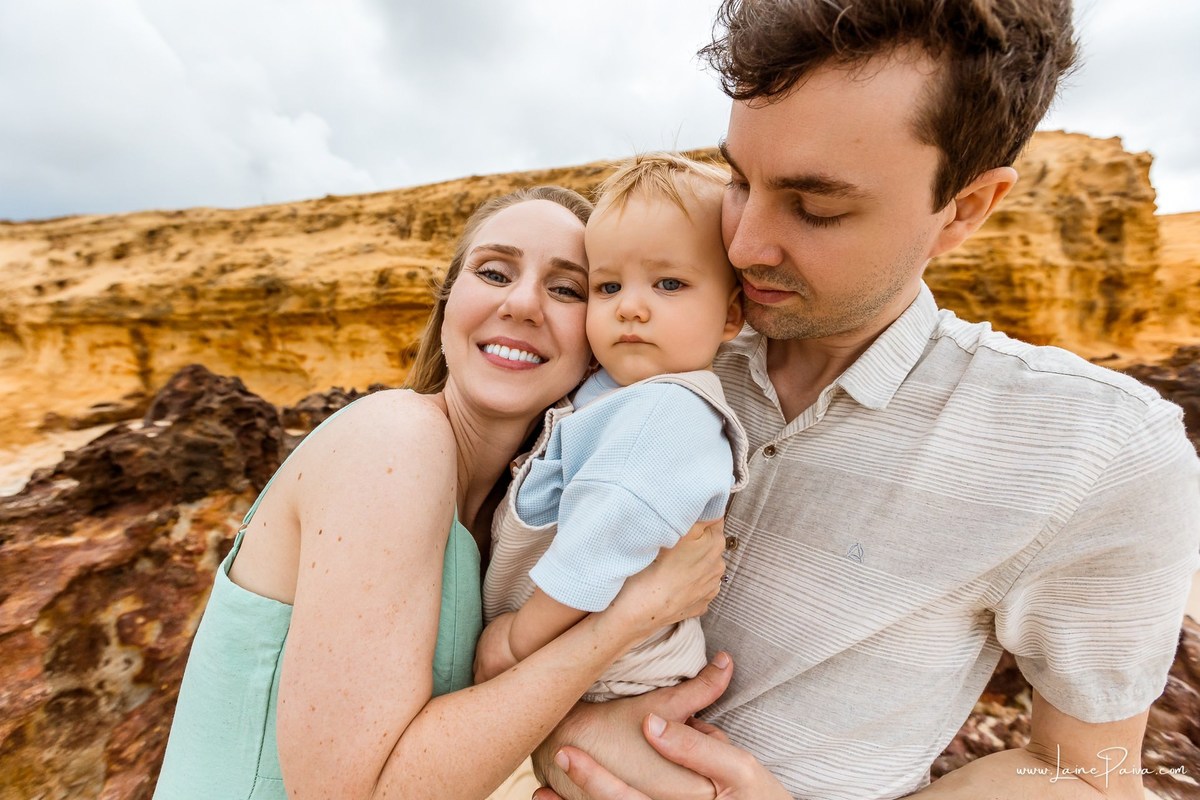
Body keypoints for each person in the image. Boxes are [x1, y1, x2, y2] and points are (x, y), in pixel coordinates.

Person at [528, 2, 1200, 799]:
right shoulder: (634, 347)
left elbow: (1093, 776)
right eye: (740, 181)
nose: (744, 245)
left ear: (966, 208)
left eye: (818, 208)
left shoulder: (1105, 449)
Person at [151, 185, 729, 800]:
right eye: (493, 271)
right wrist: (628, 618)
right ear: (448, 302)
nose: (524, 303)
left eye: (568, 288)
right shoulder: (394, 440)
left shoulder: (515, 526)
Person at [479, 154, 750, 710]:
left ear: (729, 315)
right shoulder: (614, 393)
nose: (630, 308)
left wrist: (514, 641)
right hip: (593, 662)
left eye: (669, 283)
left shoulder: (666, 412)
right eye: (606, 287)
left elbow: (600, 542)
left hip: (619, 680)